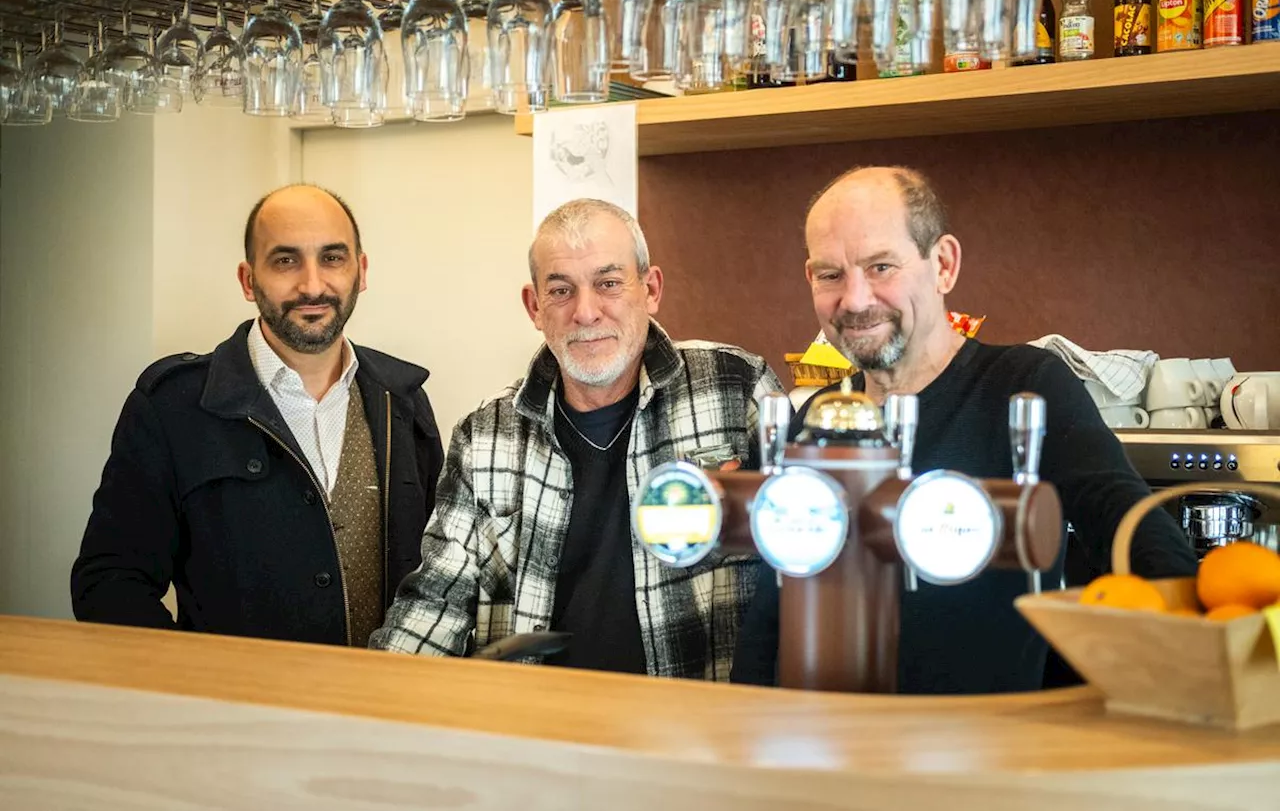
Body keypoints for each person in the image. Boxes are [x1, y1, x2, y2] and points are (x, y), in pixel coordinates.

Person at [731, 166, 1197, 693]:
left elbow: (1143, 540)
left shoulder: (1025, 387)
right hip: (824, 746)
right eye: (830, 274)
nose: (855, 300)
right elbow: (774, 607)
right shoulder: (815, 416)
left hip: (986, 750)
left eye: (881, 266)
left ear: (944, 265)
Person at [371, 199, 782, 679]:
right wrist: (378, 705)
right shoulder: (485, 435)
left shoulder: (737, 388)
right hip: (539, 730)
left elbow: (800, 575)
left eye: (608, 284)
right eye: (561, 290)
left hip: (702, 729)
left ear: (650, 289)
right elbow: (434, 604)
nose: (586, 312)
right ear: (534, 306)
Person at [71, 184, 444, 648]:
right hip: (232, 712)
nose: (312, 285)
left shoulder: (402, 400)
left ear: (360, 271)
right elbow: (110, 583)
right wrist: (195, 686)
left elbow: (440, 579)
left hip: (388, 709)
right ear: (248, 280)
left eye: (332, 258)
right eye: (285, 261)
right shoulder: (172, 407)